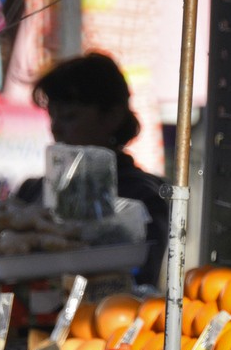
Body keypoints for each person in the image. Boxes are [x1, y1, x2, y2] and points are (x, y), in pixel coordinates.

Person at [15, 52, 169, 287]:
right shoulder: (30, 193)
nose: (56, 129)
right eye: (52, 117)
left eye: (69, 116)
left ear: (112, 117)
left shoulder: (143, 195)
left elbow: (141, 275)